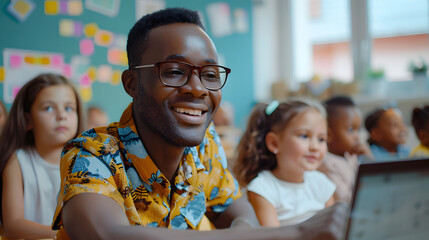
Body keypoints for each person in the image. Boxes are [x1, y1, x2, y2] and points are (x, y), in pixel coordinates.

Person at [52, 8, 347, 240]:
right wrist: (295, 232)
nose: (197, 88)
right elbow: (106, 235)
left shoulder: (205, 145)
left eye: (210, 74)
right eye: (175, 71)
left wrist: (244, 233)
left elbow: (238, 211)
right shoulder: (91, 154)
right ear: (132, 82)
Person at [0, 73, 85, 239]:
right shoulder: (18, 161)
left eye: (68, 108)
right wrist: (63, 234)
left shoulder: (86, 161)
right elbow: (13, 225)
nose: (61, 115)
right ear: (27, 120)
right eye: (49, 108)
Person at [234, 99, 336, 227]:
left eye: (321, 139)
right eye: (304, 136)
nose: (315, 147)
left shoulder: (322, 184)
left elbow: (335, 228)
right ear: (274, 143)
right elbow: (273, 236)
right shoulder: (262, 189)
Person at [318, 95, 372, 203]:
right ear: (328, 134)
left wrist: (368, 157)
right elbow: (343, 200)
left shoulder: (351, 156)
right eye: (351, 130)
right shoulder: (326, 164)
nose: (357, 137)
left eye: (358, 130)